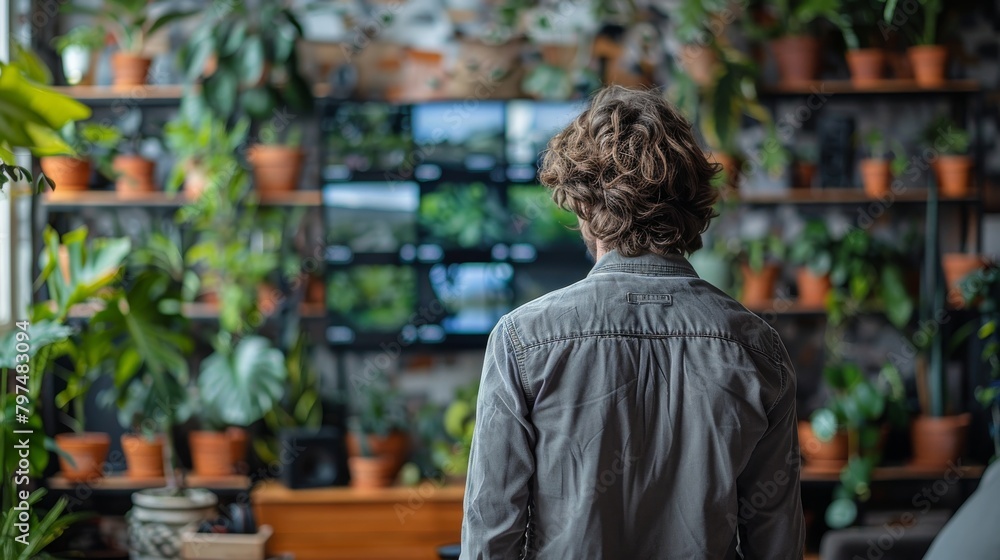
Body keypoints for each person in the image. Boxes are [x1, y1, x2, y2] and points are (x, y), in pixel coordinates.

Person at [460, 86, 804, 559]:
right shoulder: (757, 348)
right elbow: (777, 545)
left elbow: (490, 542)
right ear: (692, 205)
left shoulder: (522, 342)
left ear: (582, 204)